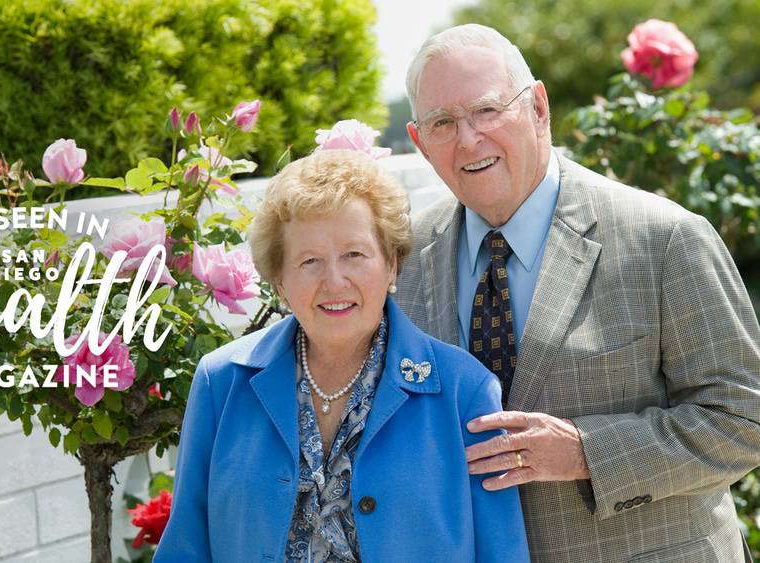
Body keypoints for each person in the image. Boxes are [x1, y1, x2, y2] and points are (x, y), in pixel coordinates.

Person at [395, 23, 760, 563]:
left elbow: (744, 417)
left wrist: (586, 453)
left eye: (488, 110)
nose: (469, 138)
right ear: (421, 142)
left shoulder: (664, 238)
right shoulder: (403, 258)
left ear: (538, 108)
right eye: (443, 122)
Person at [154, 149, 530, 562]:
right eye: (309, 260)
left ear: (391, 264)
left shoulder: (464, 391)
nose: (334, 281)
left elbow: (502, 552)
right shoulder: (220, 383)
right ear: (279, 281)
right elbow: (185, 546)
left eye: (354, 254)